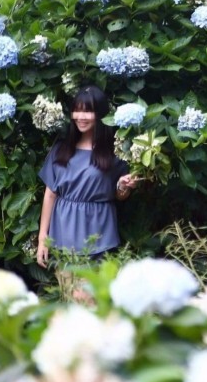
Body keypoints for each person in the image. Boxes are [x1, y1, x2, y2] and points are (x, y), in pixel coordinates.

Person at [37, 86, 138, 267]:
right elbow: (50, 194)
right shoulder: (61, 148)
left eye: (88, 111)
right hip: (62, 233)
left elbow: (120, 196)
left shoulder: (114, 151)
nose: (80, 117)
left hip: (99, 233)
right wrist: (42, 237)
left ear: (100, 115)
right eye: (77, 110)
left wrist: (124, 186)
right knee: (67, 293)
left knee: (90, 293)